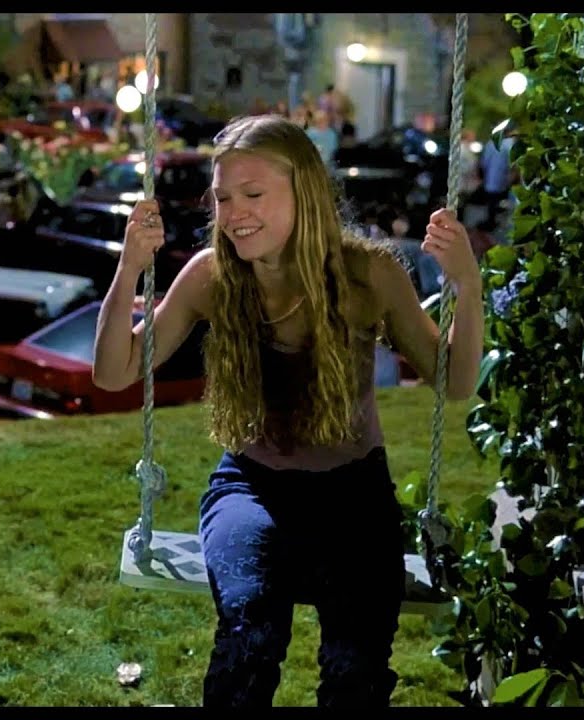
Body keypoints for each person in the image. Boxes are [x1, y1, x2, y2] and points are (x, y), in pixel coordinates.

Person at [92, 114, 484, 708]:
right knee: (249, 641)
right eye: (223, 197)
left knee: (356, 667)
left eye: (253, 194)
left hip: (353, 495)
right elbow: (114, 371)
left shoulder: (368, 275)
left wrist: (468, 285)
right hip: (250, 488)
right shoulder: (212, 277)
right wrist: (128, 266)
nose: (234, 211)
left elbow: (455, 383)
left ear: (304, 193)